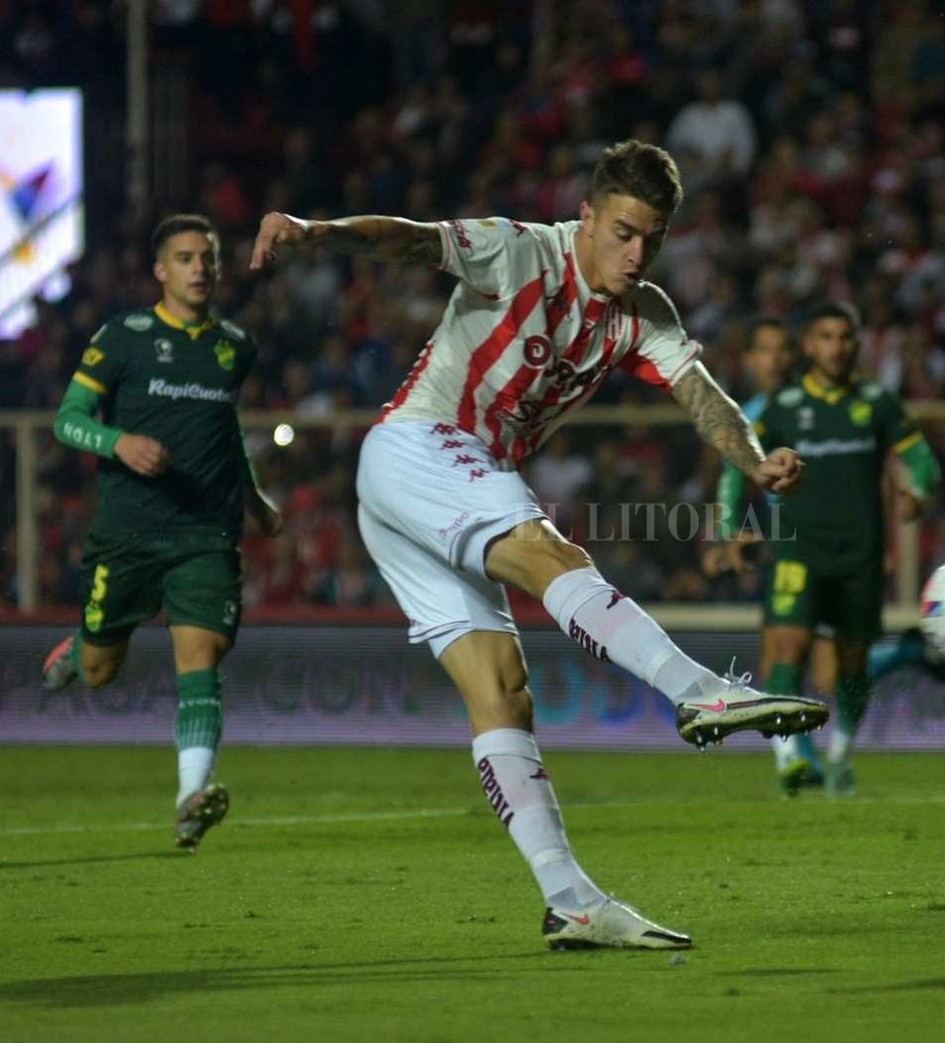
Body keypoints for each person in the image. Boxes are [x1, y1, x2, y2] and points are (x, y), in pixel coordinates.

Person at [249, 141, 828, 951]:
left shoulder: (642, 312)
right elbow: (411, 238)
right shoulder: (517, 249)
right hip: (421, 442)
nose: (636, 252)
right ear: (586, 216)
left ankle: (571, 900)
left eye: (652, 238)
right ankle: (699, 689)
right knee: (549, 553)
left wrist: (754, 458)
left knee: (503, 691)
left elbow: (703, 396)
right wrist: (315, 230)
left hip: (414, 496)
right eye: (623, 231)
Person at [40, 213, 284, 852]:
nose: (199, 268)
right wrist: (118, 442)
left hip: (206, 531)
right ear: (160, 271)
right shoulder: (124, 337)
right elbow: (68, 420)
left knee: (200, 660)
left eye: (208, 257)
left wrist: (254, 498)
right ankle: (81, 640)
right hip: (129, 534)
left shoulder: (235, 344)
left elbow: (222, 429)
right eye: (184, 258)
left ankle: (190, 799)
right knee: (98, 670)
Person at [706, 316, 945, 796]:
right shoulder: (772, 408)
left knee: (841, 666)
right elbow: (738, 468)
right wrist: (731, 530)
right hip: (795, 546)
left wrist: (915, 492)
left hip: (857, 551)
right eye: (826, 337)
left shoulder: (874, 403)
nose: (836, 348)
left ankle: (834, 752)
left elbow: (904, 464)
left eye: (844, 338)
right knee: (786, 648)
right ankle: (790, 757)